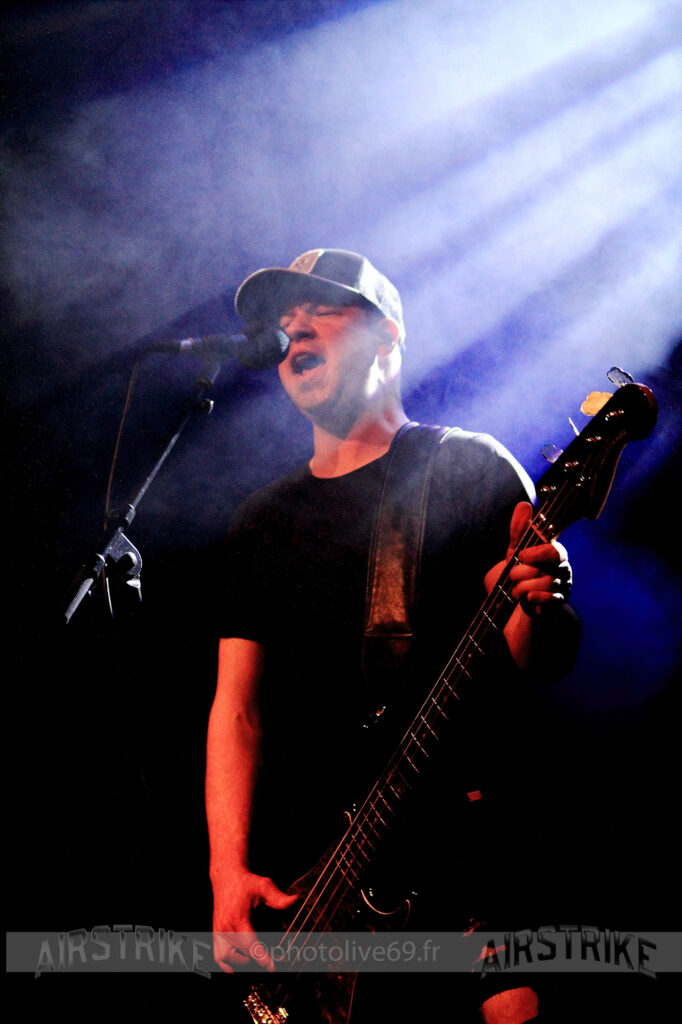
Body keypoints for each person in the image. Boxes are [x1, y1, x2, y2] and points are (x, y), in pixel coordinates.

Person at [205, 249, 579, 1022]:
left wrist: (538, 605)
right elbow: (236, 710)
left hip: (467, 853)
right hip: (323, 883)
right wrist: (226, 871)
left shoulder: (468, 467)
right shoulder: (260, 524)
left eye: (322, 310)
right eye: (283, 321)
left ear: (387, 335)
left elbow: (535, 665)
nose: (295, 331)